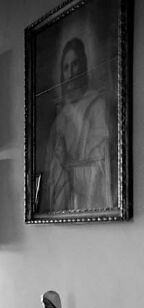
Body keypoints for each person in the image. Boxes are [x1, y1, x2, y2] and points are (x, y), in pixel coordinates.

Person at [41, 37, 112, 213]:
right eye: (66, 67)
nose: (71, 72)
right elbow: (51, 173)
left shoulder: (97, 105)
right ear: (62, 73)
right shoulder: (60, 118)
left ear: (83, 65)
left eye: (75, 64)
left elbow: (101, 165)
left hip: (90, 201)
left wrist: (67, 165)